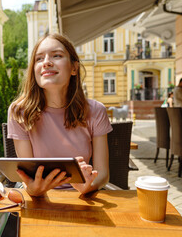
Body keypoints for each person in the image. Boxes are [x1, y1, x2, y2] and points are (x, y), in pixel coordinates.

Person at [7, 33, 112, 197]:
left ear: (74, 68)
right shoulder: (19, 112)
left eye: (56, 55)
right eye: (39, 58)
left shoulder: (96, 111)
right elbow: (28, 178)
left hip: (84, 198)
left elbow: (103, 174)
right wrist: (34, 190)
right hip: (40, 198)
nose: (46, 62)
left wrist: (88, 186)